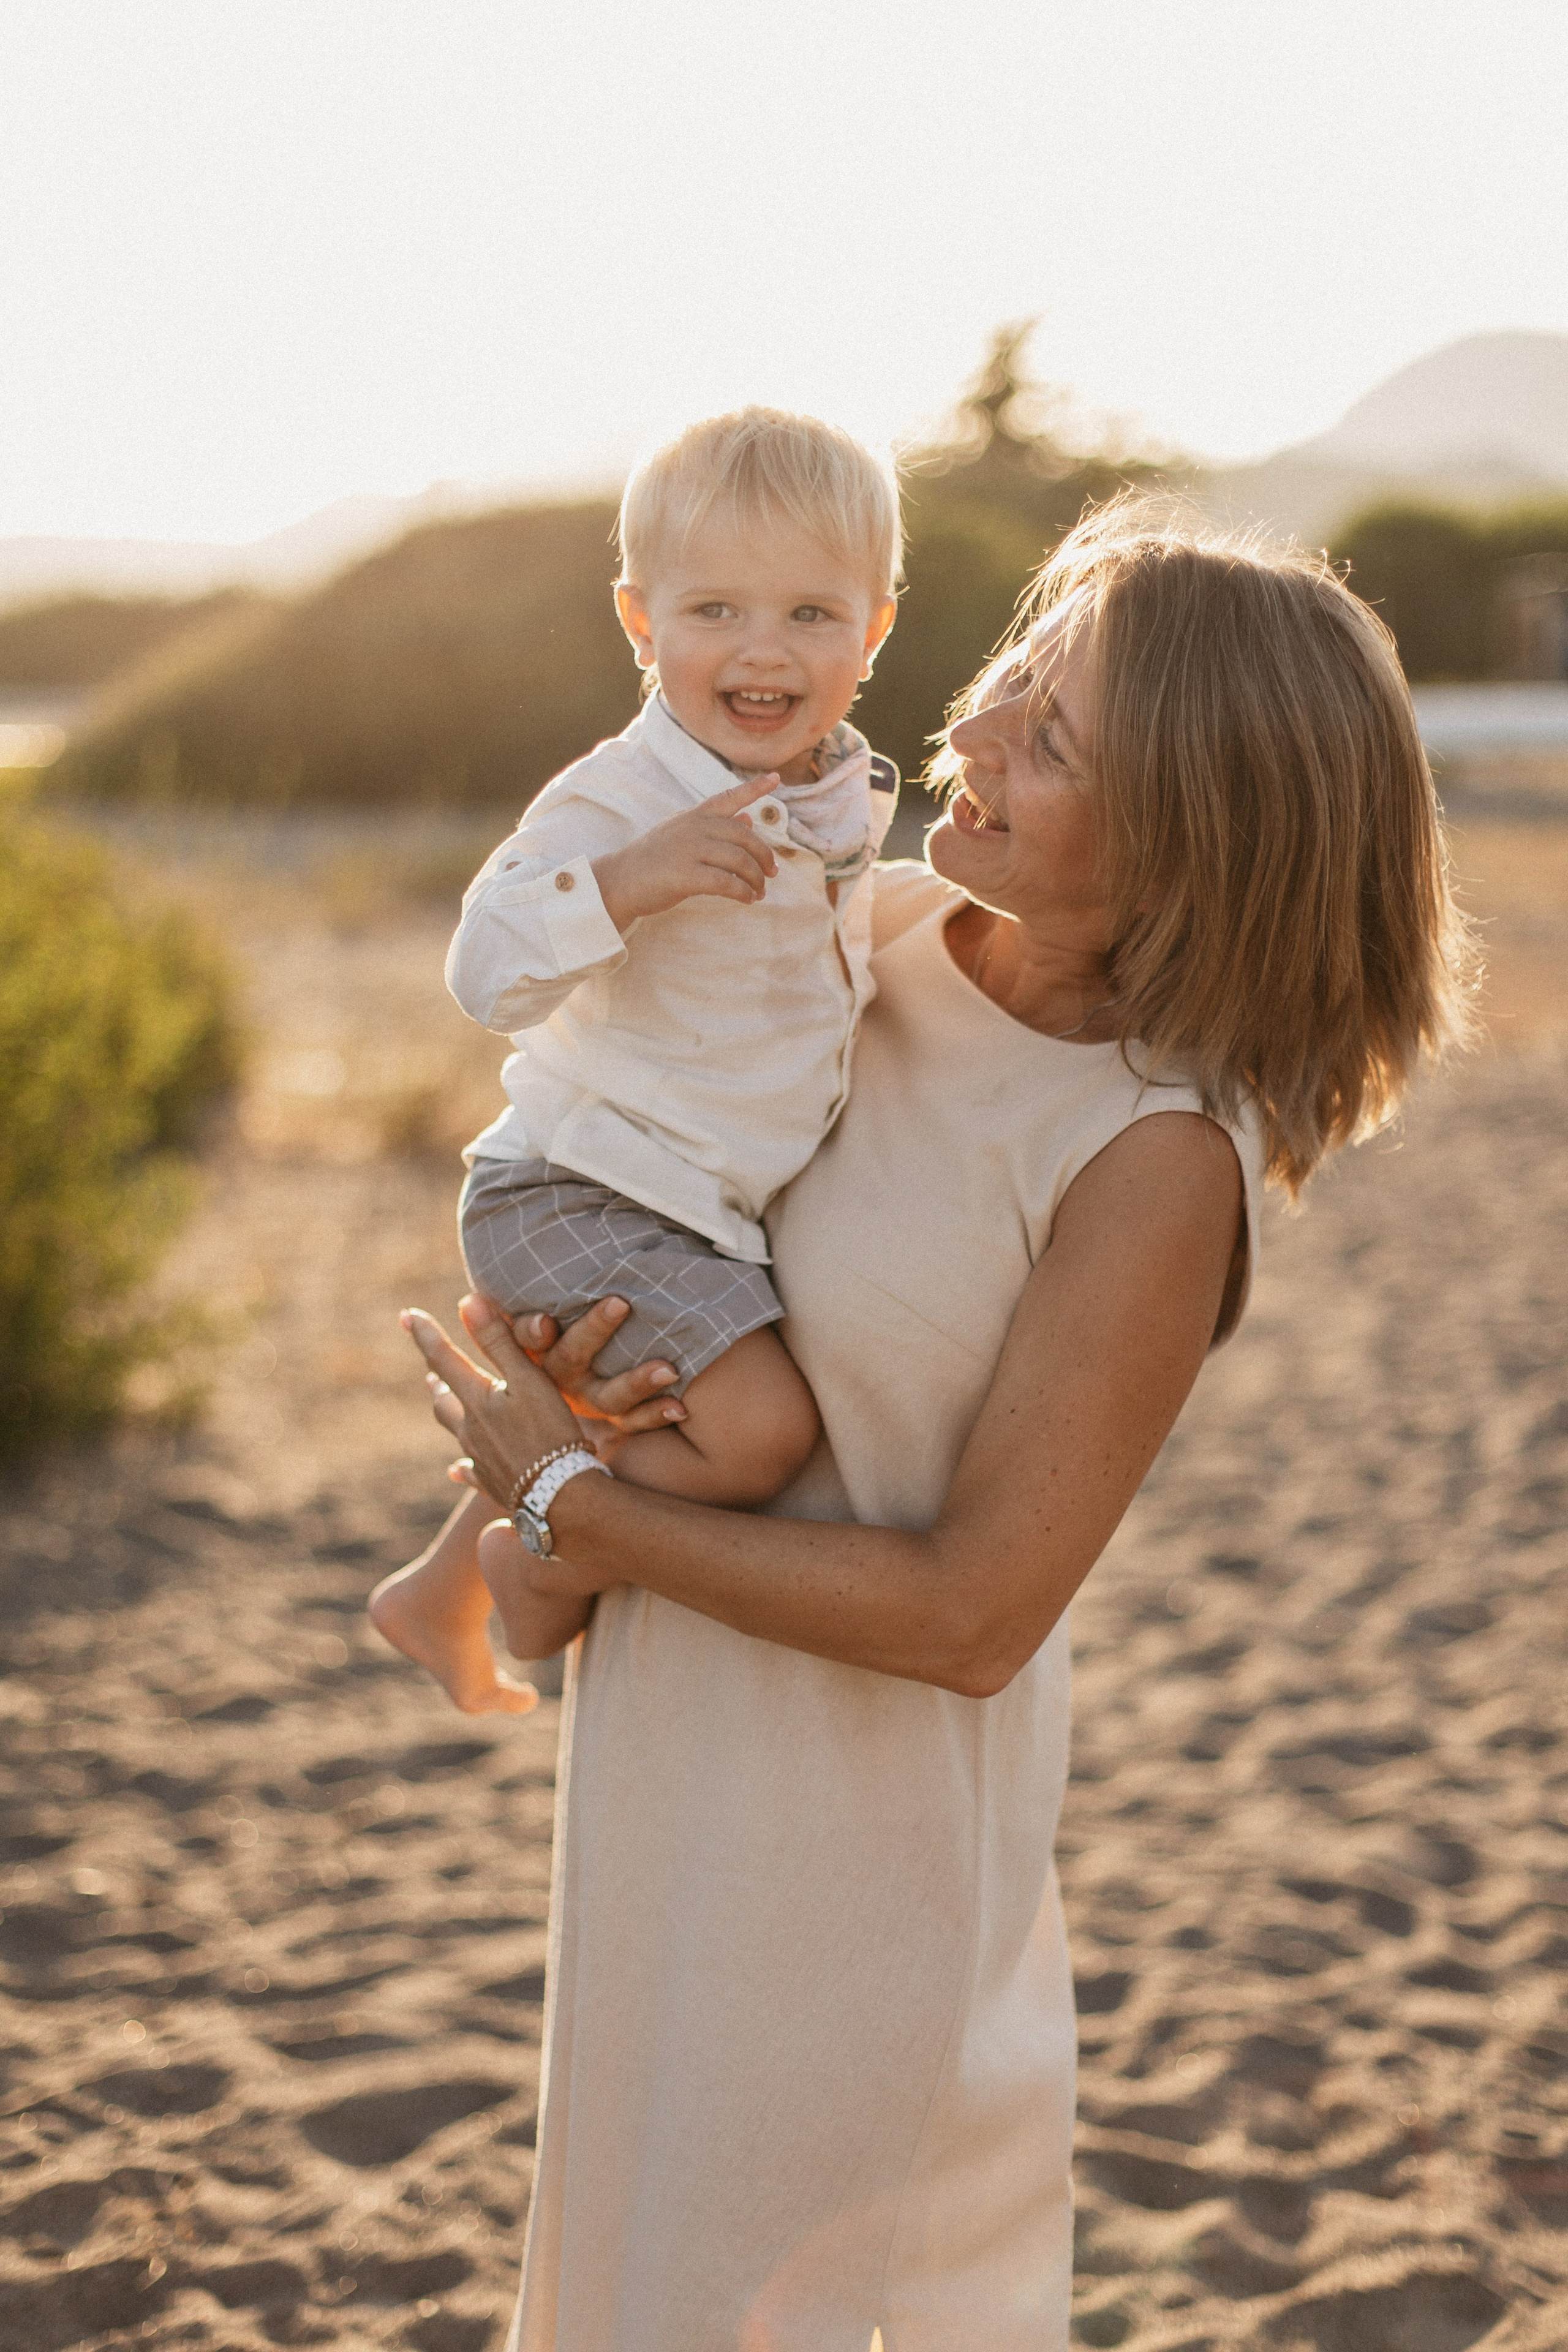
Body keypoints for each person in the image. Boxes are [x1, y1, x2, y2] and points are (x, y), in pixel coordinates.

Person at [403, 500, 1474, 2351]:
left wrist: (571, 1500)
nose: (963, 739)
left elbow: (979, 1617)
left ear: (1197, 837)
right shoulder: (858, 933)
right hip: (663, 1768)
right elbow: (635, 1244)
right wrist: (561, 1466)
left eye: (1049, 739)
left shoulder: (1150, 1161)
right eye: (1007, 688)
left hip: (858, 1854)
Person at [371, 407, 900, 1711]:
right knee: (759, 1432)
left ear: (874, 628)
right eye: (713, 609)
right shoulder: (618, 799)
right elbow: (484, 967)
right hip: (576, 1187)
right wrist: (621, 885)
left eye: (810, 616)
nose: (762, 650)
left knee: (635, 1402)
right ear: (638, 620)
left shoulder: (837, 786)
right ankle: (542, 1561)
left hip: (690, 1205)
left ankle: (436, 1589)